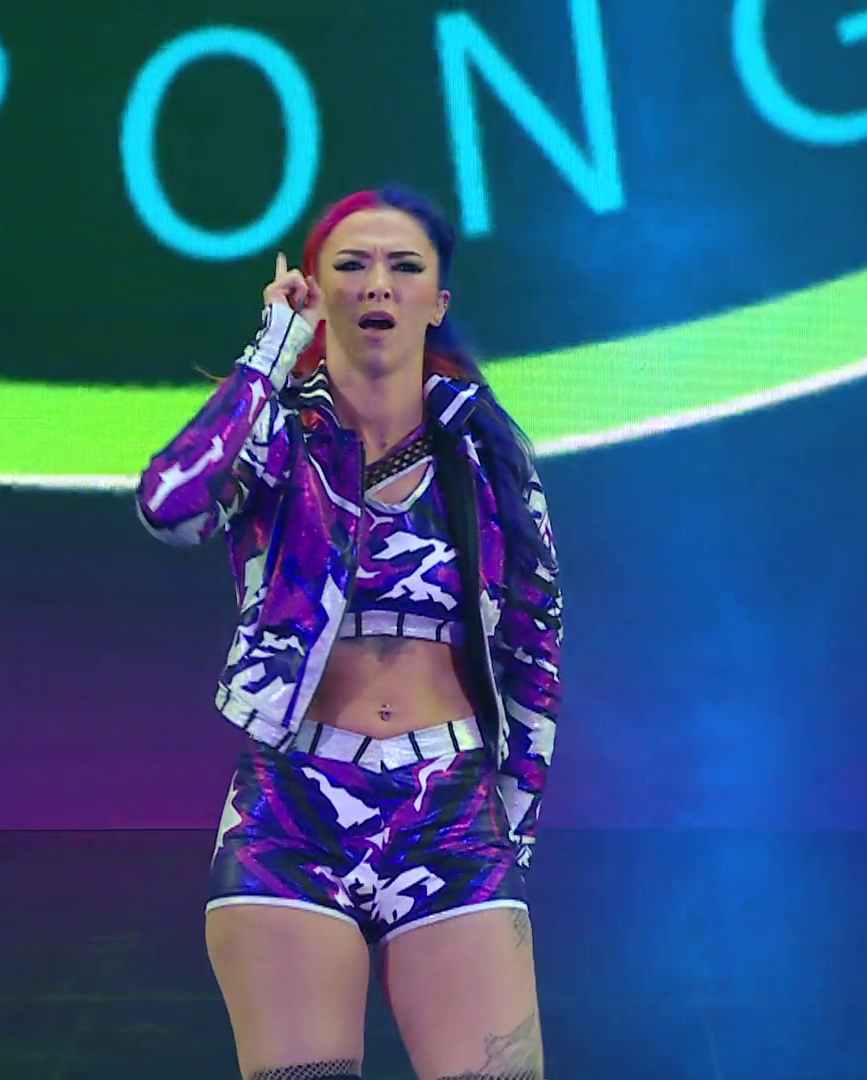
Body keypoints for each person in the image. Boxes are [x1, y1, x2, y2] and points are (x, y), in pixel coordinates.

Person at [135, 185, 562, 1080]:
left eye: (404, 267)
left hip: (450, 808)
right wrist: (271, 350)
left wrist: (511, 829)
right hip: (292, 806)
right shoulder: (277, 444)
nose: (378, 284)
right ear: (316, 291)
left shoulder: (486, 453)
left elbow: (534, 650)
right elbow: (172, 506)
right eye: (352, 265)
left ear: (436, 302)